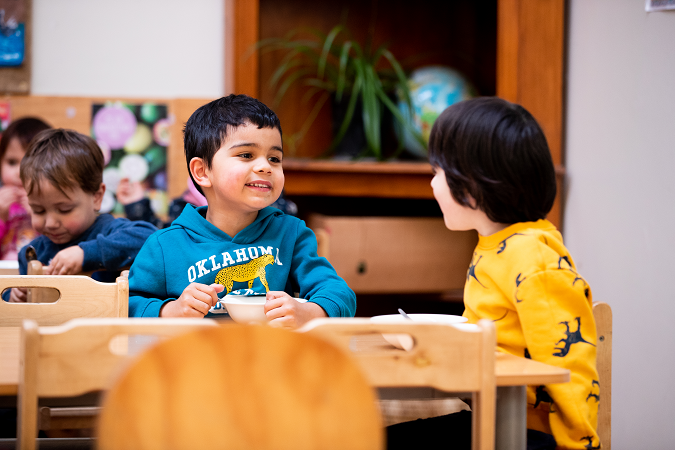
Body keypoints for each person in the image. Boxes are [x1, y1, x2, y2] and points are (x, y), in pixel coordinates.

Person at [387, 98, 599, 450]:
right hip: (491, 416)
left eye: (437, 172)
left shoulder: (532, 259)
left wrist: (577, 446)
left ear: (470, 186)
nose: (432, 185)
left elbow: (571, 367)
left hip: (525, 435)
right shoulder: (496, 245)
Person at [127, 94, 355, 327]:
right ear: (202, 171)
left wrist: (310, 312)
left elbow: (340, 293)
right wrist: (169, 310)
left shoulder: (291, 234)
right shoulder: (164, 246)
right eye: (246, 155)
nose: (265, 166)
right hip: (191, 359)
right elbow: (125, 305)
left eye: (275, 158)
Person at [8, 129, 157, 302]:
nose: (50, 223)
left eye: (64, 209)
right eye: (38, 210)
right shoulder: (32, 253)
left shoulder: (110, 231)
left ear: (96, 197)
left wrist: (86, 254)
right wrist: (13, 296)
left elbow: (150, 238)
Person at [0, 117, 51, 260]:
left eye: (30, 163)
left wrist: (39, 215)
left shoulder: (53, 204)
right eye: (11, 162)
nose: (19, 172)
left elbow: (58, 246)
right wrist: (1, 218)